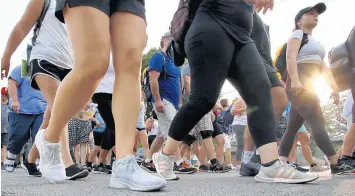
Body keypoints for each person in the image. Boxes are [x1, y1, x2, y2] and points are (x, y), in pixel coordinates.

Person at [153, 0, 319, 184]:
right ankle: (166, 155)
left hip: (242, 34)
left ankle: (271, 165)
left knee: (260, 91)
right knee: (204, 99)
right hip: (212, 21)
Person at [1, 0, 90, 180]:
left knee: (51, 117)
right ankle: (67, 164)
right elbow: (21, 28)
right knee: (61, 109)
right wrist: (6, 56)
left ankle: (31, 158)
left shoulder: (83, 7)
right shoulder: (44, 1)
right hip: (44, 60)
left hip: (69, 67)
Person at [278, 3, 354, 174]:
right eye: (310, 13)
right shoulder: (298, 34)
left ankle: (280, 161)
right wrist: (295, 81)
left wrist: (333, 88)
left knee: (292, 127)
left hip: (309, 86)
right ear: (299, 21)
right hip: (299, 84)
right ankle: (336, 163)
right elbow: (290, 57)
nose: (315, 15)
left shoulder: (317, 42)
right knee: (317, 120)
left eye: (316, 14)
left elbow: (324, 68)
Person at [142, 33, 196, 179]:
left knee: (161, 134)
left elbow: (178, 84)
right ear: (165, 40)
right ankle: (178, 162)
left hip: (173, 102)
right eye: (173, 40)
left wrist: (179, 102)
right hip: (163, 100)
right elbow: (153, 79)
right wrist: (158, 100)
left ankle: (147, 161)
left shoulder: (175, 63)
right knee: (173, 130)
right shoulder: (159, 57)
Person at [3, 65, 46, 176]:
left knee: (39, 136)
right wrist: (15, 101)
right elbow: (12, 83)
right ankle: (11, 156)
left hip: (42, 109)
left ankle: (31, 162)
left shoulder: (46, 69)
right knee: (19, 136)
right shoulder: (25, 67)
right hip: (22, 109)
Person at [231, 97, 247, 167]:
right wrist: (245, 109)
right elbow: (232, 111)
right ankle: (238, 164)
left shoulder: (251, 99)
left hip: (247, 125)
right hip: (240, 124)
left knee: (248, 145)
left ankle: (246, 163)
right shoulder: (241, 100)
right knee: (241, 145)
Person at [1, 87, 9, 170]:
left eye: (5, 94)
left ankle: (3, 162)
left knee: (5, 146)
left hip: (7, 129)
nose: (4, 96)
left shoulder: (9, 105)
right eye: (3, 94)